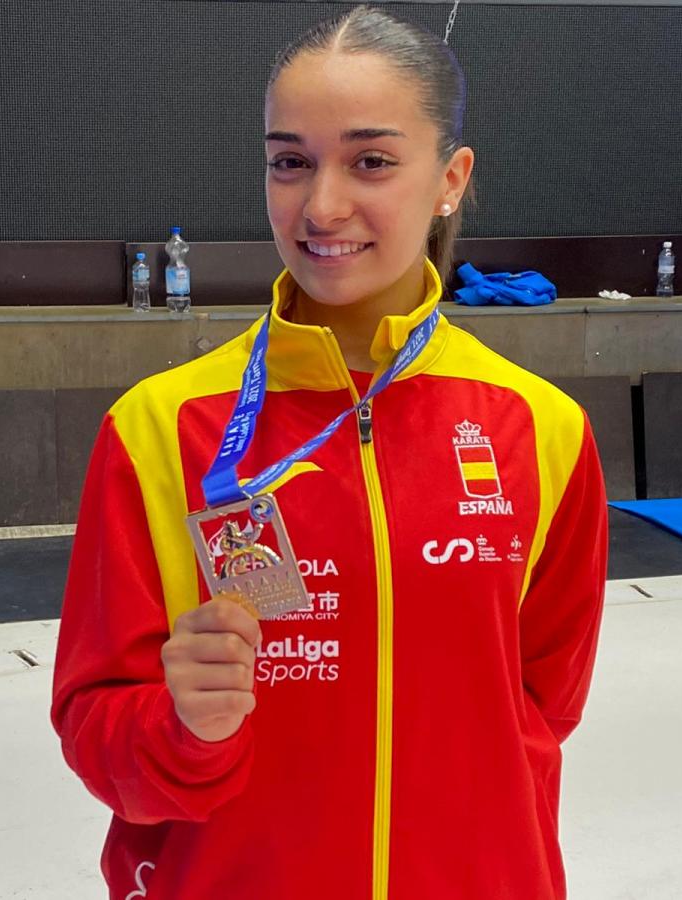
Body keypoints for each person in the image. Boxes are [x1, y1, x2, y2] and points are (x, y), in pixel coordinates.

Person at [51, 7, 608, 898]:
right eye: (290, 162)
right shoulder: (159, 429)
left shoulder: (540, 429)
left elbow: (540, 708)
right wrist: (184, 729)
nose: (321, 206)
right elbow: (95, 729)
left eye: (372, 161)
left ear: (450, 179)